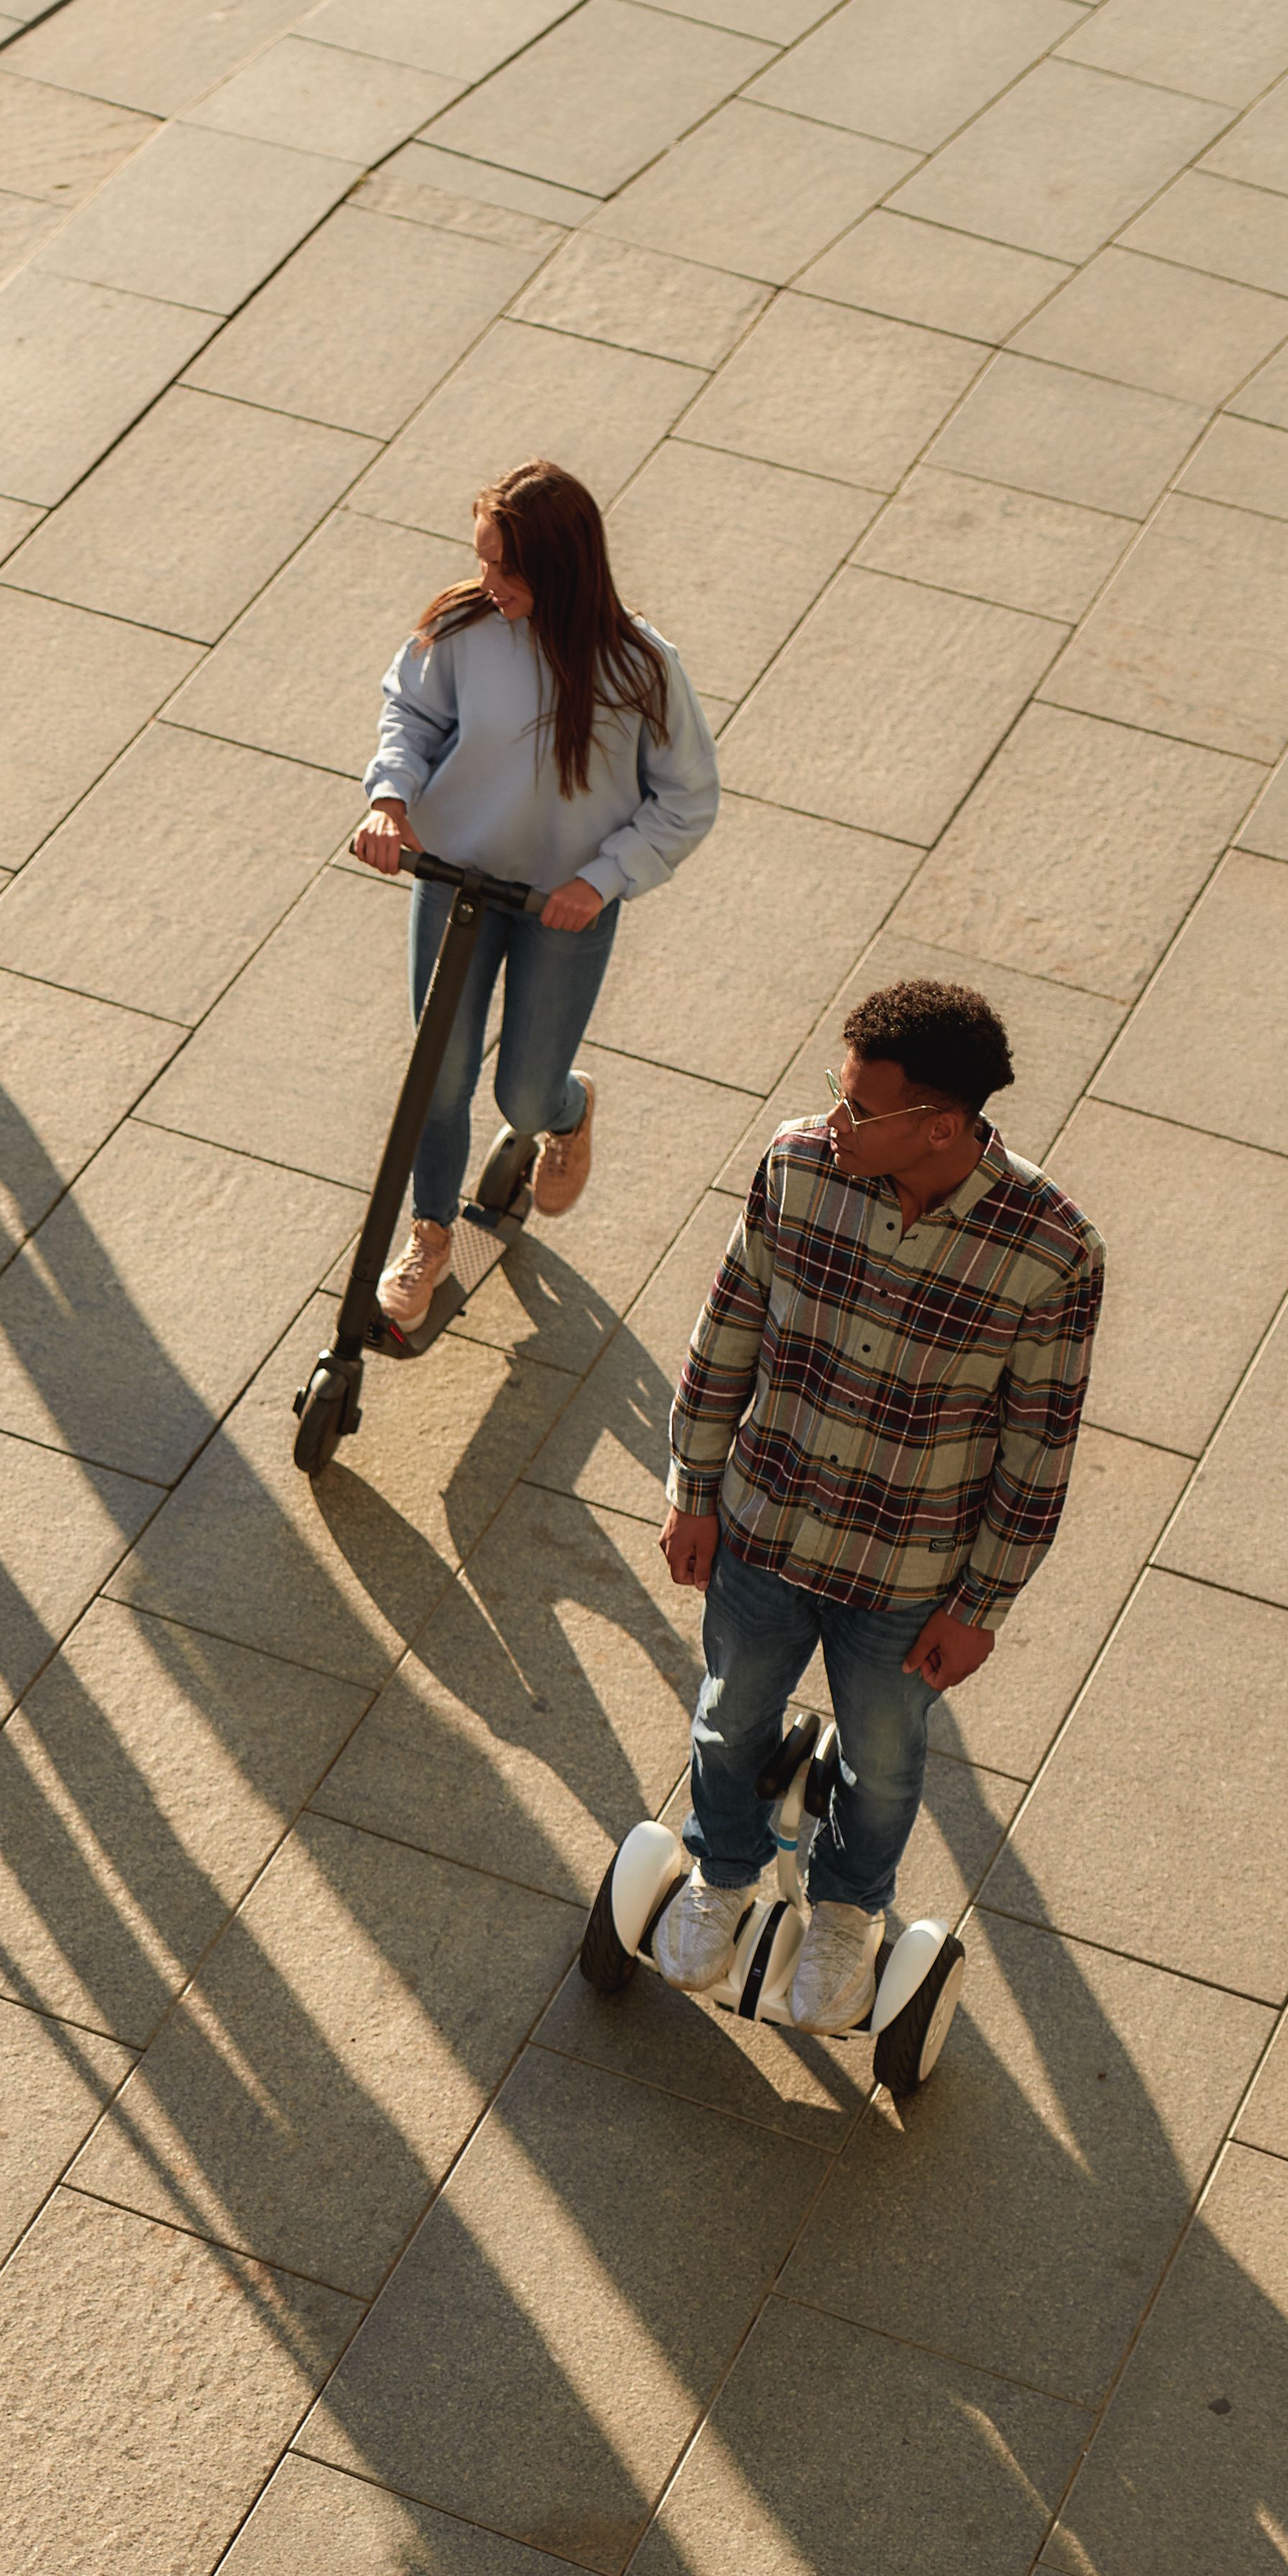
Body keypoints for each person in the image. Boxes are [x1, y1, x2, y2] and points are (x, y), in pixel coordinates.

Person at [661, 980, 1104, 2027]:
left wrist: (980, 1607)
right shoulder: (797, 1166)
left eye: (859, 1108)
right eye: (835, 1093)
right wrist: (693, 1489)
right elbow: (724, 1334)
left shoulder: (1051, 1253)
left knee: (886, 1766)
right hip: (766, 1528)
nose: (832, 1120)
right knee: (727, 1723)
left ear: (940, 1126)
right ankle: (719, 1873)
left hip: (907, 1580)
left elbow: (1037, 1450)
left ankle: (849, 1914)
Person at [347, 460, 718, 1336]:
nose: (489, 583)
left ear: (561, 566)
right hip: (454, 882)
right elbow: (409, 715)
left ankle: (567, 1109)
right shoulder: (462, 627)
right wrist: (387, 800)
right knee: (436, 1079)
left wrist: (603, 879)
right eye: (482, 560)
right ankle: (430, 1233)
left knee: (521, 1095)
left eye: (506, 569)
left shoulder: (639, 668)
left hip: (566, 904)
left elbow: (686, 799)